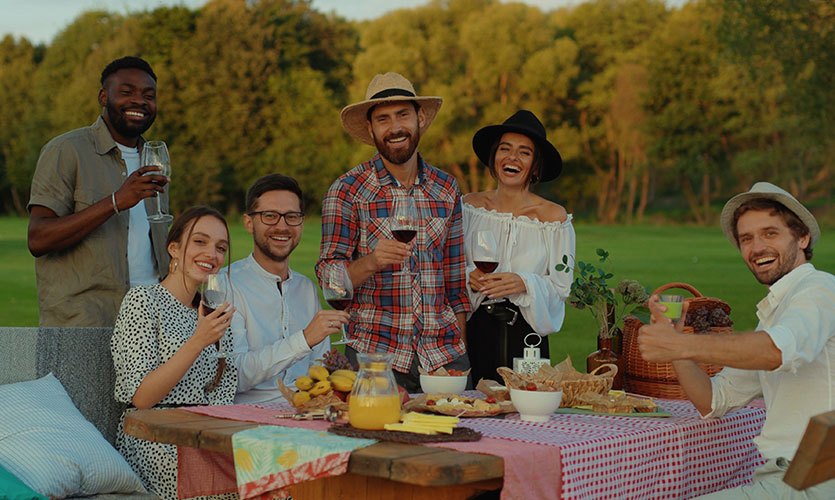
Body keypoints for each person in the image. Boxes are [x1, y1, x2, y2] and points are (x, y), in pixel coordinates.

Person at [638, 182, 835, 499]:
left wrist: (682, 345)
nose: (757, 248)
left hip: (819, 479)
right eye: (747, 239)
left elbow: (777, 351)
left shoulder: (819, 289)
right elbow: (712, 401)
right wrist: (676, 341)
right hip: (784, 477)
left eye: (770, 233)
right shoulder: (774, 314)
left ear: (802, 237)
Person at [316, 72, 471, 392]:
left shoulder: (446, 188)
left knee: (456, 442)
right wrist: (371, 262)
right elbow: (331, 286)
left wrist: (461, 353)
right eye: (383, 119)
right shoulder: (347, 190)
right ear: (371, 128)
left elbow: (455, 284)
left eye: (403, 115)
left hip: (444, 359)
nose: (395, 127)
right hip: (376, 360)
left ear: (420, 118)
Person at [28, 56, 170, 327]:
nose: (139, 101)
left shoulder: (154, 158)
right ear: (104, 97)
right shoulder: (66, 150)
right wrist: (116, 202)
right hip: (85, 321)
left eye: (148, 95)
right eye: (127, 92)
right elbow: (38, 239)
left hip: (151, 321)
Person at [111, 206, 237, 500]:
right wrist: (197, 341)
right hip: (155, 435)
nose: (212, 254)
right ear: (174, 249)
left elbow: (223, 395)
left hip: (205, 436)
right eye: (200, 241)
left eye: (221, 248)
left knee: (281, 482)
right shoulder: (143, 301)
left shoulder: (215, 315)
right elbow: (142, 398)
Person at [463, 110, 575, 384]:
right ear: (494, 157)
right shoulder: (467, 207)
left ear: (535, 166)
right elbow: (444, 265)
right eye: (505, 149)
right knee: (470, 409)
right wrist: (467, 275)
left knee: (525, 413)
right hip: (472, 333)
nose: (512, 157)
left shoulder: (554, 219)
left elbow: (562, 286)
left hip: (526, 339)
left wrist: (523, 282)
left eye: (524, 152)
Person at [224, 174, 348, 404]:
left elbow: (319, 371)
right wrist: (303, 340)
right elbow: (233, 375)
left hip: (307, 413)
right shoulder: (227, 284)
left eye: (292, 217)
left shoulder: (307, 289)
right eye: (270, 216)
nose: (282, 226)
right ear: (249, 223)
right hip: (247, 416)